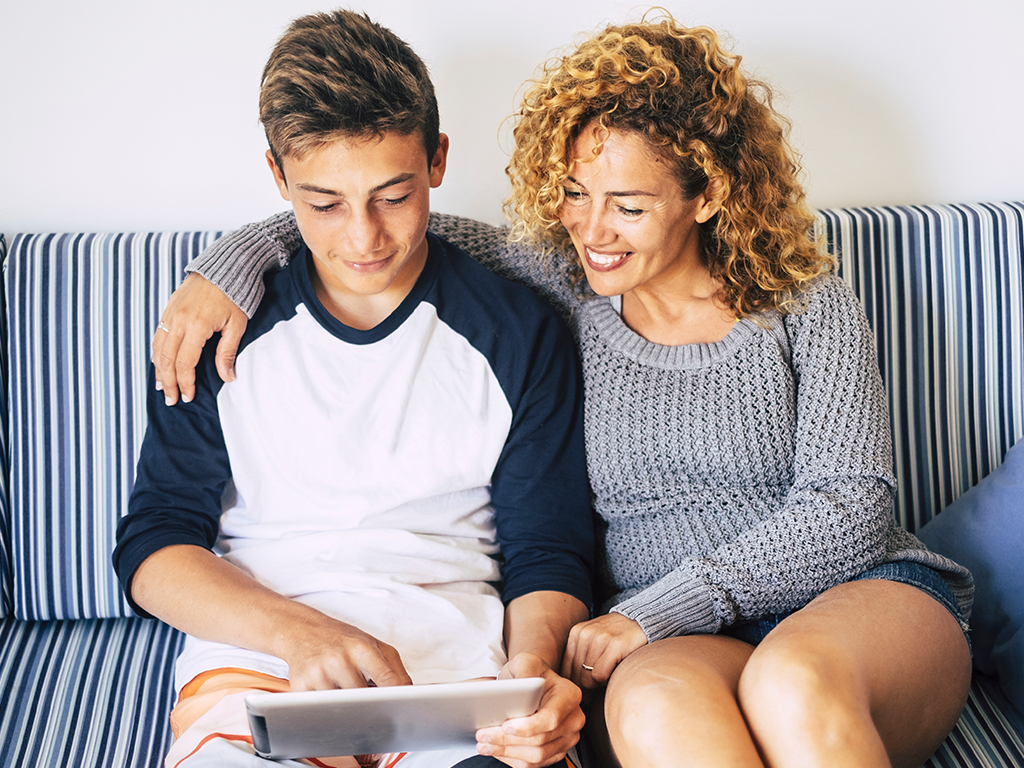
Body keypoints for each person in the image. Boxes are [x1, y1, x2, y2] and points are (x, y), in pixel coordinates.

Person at [151, 12, 975, 768]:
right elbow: (389, 226)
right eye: (576, 196)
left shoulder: (804, 299)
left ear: (709, 192)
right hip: (671, 641)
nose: (591, 229)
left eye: (628, 205)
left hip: (850, 603)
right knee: (654, 709)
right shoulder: (572, 284)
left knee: (791, 682)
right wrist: (231, 262)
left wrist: (655, 611)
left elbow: (852, 505)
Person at [113, 10, 595, 768]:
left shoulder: (517, 330)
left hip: (457, 673)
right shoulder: (214, 332)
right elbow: (155, 544)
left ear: (436, 160)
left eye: (393, 196)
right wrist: (300, 634)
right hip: (260, 667)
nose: (364, 239)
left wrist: (533, 672)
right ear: (278, 178)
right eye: (325, 203)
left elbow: (548, 550)